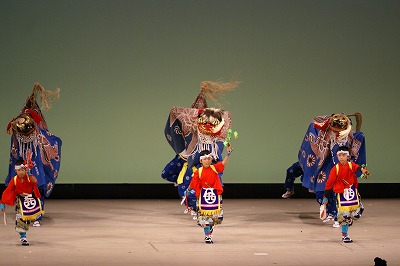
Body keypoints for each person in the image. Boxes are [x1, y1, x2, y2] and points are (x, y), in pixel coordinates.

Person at [321, 146, 369, 243]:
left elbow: (358, 168)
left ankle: (351, 218)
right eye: (339, 155)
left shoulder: (351, 165)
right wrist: (325, 196)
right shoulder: (335, 169)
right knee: (344, 216)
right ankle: (345, 235)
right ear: (337, 156)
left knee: (357, 214)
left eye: (343, 155)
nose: (341, 157)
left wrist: (362, 170)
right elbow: (329, 183)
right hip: (342, 195)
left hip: (352, 192)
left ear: (348, 156)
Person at [188, 146, 232, 244]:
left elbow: (223, 163)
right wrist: (187, 191)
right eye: (205, 159)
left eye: (209, 158)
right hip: (203, 197)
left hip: (215, 196)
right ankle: (207, 236)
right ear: (201, 161)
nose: (207, 161)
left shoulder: (215, 168)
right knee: (204, 219)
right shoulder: (198, 172)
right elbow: (193, 183)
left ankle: (209, 235)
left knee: (213, 219)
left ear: (211, 159)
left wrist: (228, 154)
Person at [0, 159, 44, 246]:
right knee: (21, 219)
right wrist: (2, 202)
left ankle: (36, 219)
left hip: (32, 200)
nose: (21, 172)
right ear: (15, 170)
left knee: (32, 216)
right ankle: (23, 237)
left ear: (25, 170)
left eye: (23, 170)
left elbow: (35, 181)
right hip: (21, 201)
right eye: (19, 170)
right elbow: (8, 191)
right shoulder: (14, 180)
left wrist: (30, 173)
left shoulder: (29, 177)